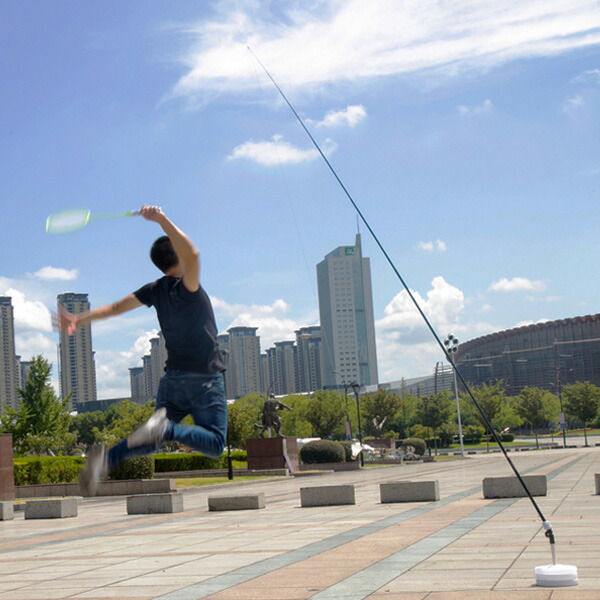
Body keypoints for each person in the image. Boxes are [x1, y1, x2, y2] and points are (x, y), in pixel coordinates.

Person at [55, 205, 227, 496]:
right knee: (214, 444)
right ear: (178, 255)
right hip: (204, 379)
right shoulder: (188, 286)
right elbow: (193, 254)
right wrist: (161, 220)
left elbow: (114, 309)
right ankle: (165, 429)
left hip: (172, 380)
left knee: (150, 438)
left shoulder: (154, 289)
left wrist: (77, 320)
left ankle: (106, 460)